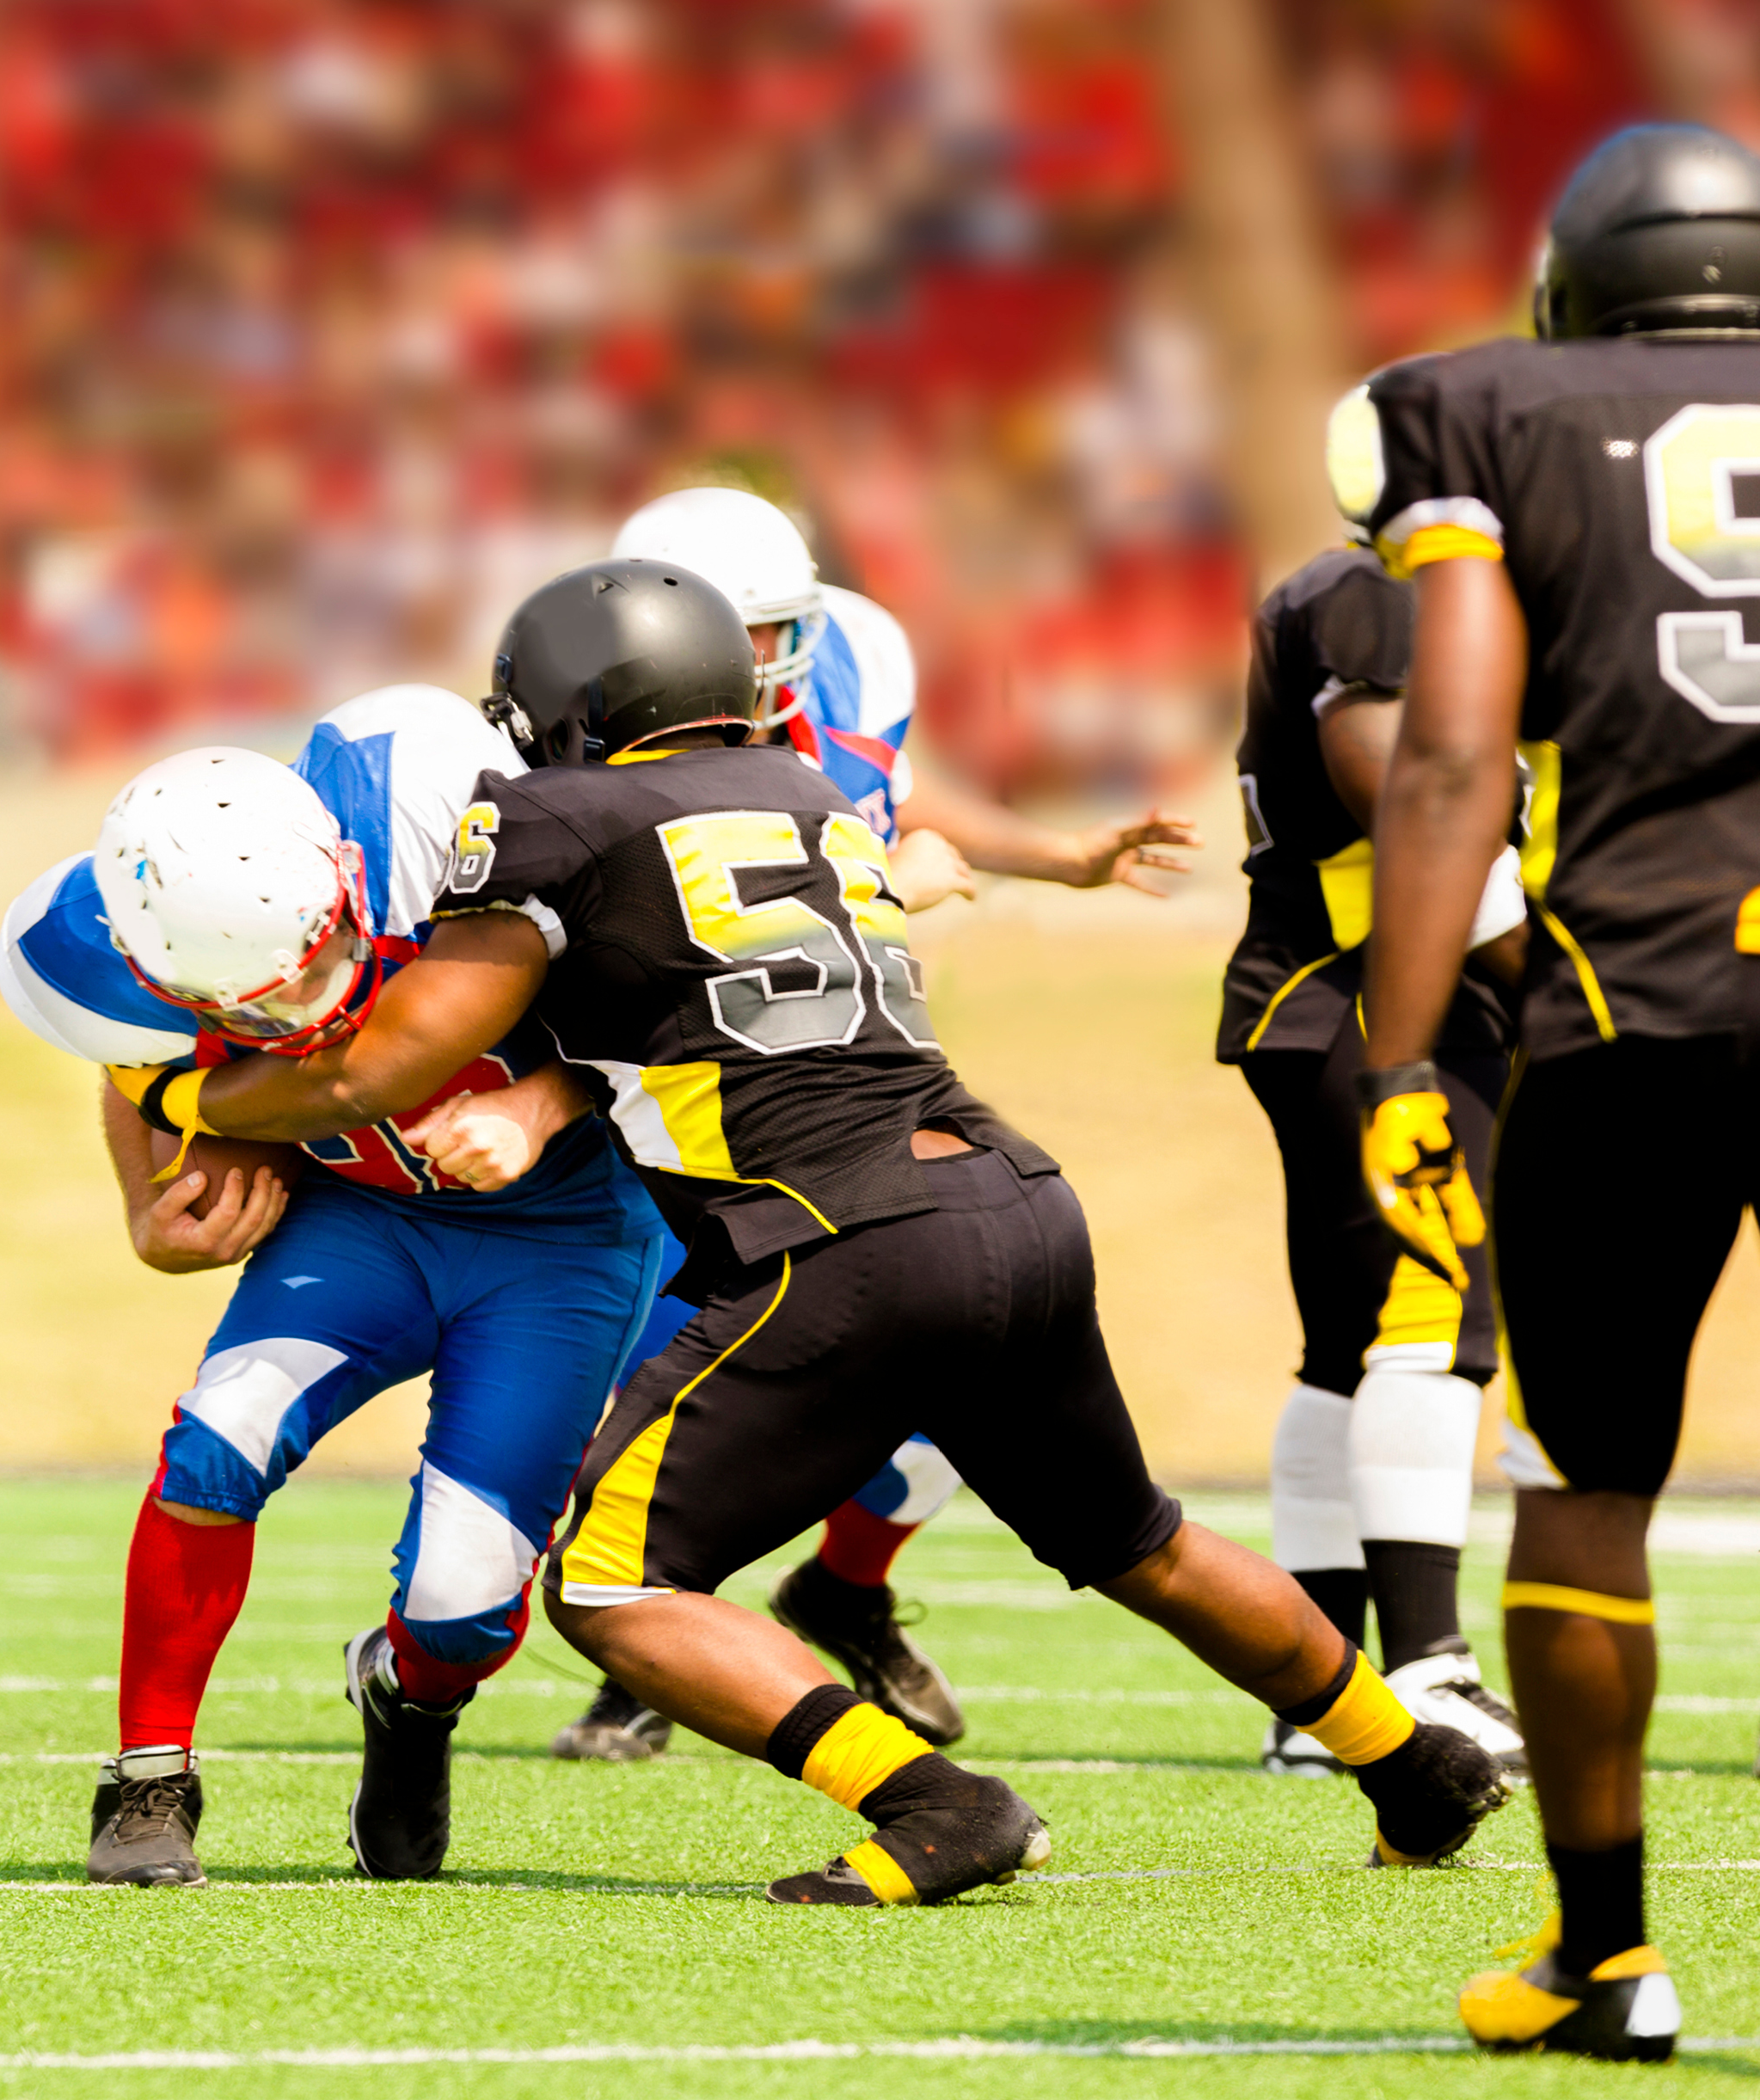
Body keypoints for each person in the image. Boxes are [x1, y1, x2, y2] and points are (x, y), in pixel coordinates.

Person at [186, 560, 1511, 1907]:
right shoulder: (811, 795)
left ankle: (931, 1803)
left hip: (837, 1239)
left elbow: (380, 1067)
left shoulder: (547, 819)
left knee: (608, 1584)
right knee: (1140, 1542)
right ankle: (1413, 1761)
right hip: (1010, 1198)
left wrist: (190, 1089)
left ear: (568, 703)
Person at [554, 484, 1201, 1763]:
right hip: (681, 1109)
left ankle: (841, 1588)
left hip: (846, 1095)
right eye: (733, 633)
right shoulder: (581, 750)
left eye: (772, 630)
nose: (759, 662)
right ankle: (647, 1634)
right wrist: (887, 900)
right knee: (669, 1375)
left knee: (952, 1365)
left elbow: (880, 798)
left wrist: (1060, 858)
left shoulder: (847, 667)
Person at [0, 683, 664, 1885]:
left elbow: (663, 1007)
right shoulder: (124, 942)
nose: (298, 1020)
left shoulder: (445, 823)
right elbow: (135, 1067)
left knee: (463, 1602)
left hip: (557, 1234)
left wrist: (541, 1097)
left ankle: (408, 1699)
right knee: (215, 1439)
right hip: (360, 1215)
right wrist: (148, 1214)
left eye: (310, 970)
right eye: (250, 1007)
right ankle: (150, 1774)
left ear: (344, 877)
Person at [1357, 121, 1760, 2061]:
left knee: (1588, 1496)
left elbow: (1450, 754)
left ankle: (1606, 1952)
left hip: (1645, 1005)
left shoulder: (1488, 408)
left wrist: (1403, 1049)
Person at [1224, 402, 1530, 1777]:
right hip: (1366, 989)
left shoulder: (1357, 590)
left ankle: (1321, 1684)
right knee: (1429, 1304)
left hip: (1328, 996)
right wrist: (1543, 960)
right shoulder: (1374, 595)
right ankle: (1423, 1666)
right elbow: (1407, 789)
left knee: (1344, 1339)